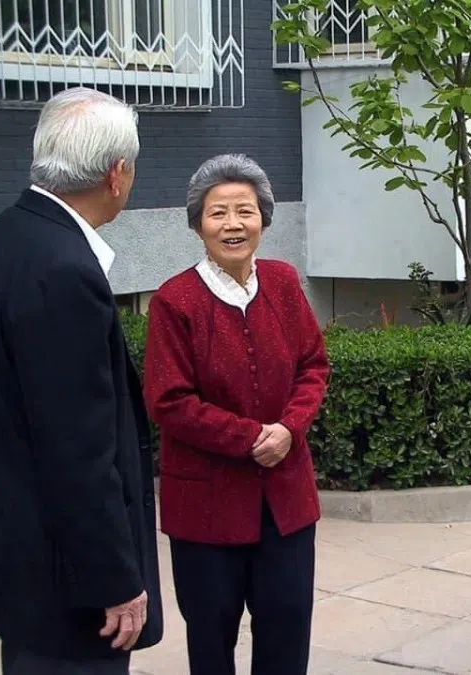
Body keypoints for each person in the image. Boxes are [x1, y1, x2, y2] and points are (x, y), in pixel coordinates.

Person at [0, 87, 163, 674]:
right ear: (118, 173)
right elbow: (79, 450)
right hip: (65, 581)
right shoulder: (62, 269)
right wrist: (116, 578)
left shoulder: (5, 238)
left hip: (22, 558)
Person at [143, 153, 330, 675]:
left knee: (287, 633)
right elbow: (168, 400)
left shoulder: (284, 282)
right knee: (211, 638)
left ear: (264, 219)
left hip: (286, 504)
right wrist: (251, 437)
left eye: (244, 211)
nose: (233, 225)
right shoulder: (174, 301)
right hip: (206, 507)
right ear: (198, 223)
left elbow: (313, 365)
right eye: (217, 213)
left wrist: (290, 429)